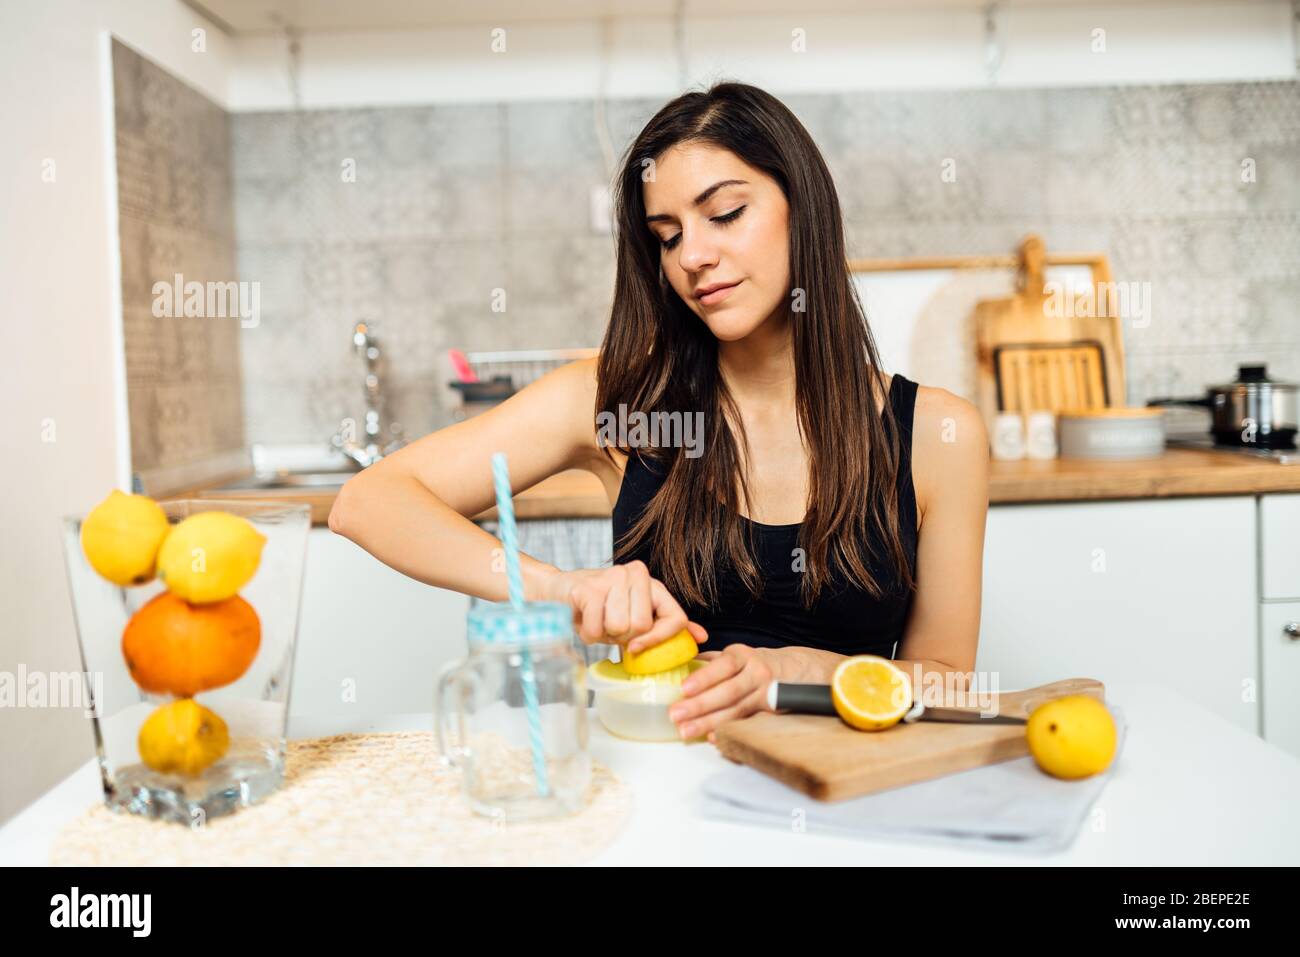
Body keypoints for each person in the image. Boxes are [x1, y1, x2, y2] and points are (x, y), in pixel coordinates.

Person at [329, 82, 990, 742]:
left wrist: (794, 670)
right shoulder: (617, 404)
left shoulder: (937, 434)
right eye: (667, 237)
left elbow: (949, 682)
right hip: (661, 780)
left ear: (804, 206)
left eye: (725, 213)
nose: (692, 257)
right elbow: (368, 501)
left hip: (845, 794)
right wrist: (565, 588)